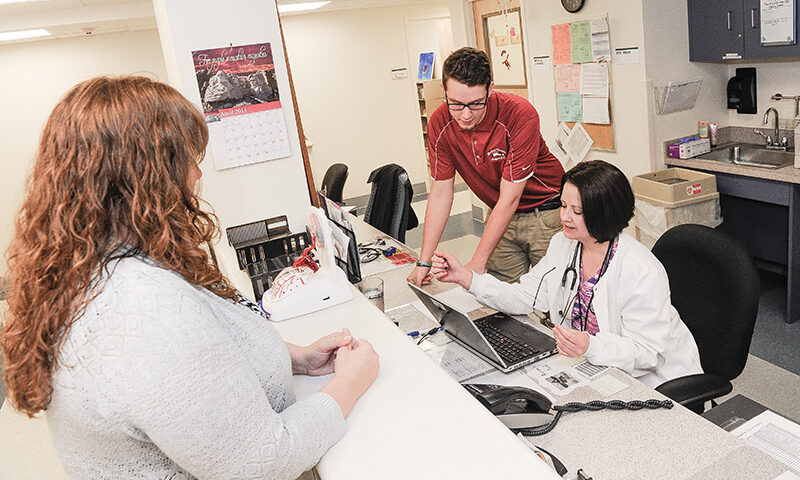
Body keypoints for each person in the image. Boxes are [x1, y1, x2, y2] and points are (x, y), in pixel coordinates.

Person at [0, 76, 379, 480]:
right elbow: (262, 463)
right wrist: (349, 385)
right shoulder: (143, 308)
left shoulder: (86, 262)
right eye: (187, 158)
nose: (198, 173)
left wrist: (298, 358)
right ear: (146, 176)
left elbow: (194, 367)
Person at [430, 160, 702, 388]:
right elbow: (526, 296)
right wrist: (468, 278)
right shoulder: (564, 244)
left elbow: (648, 354)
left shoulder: (640, 269)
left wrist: (591, 346)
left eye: (577, 211)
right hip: (589, 366)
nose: (565, 218)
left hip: (653, 382)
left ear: (604, 213)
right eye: (562, 206)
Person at [408, 47, 564, 287]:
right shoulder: (440, 121)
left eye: (476, 104)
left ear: (490, 89)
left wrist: (478, 262)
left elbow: (511, 197)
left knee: (553, 297)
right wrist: (424, 262)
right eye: (456, 104)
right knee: (499, 298)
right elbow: (441, 193)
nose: (466, 115)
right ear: (444, 91)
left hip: (545, 213)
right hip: (499, 214)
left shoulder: (519, 114)